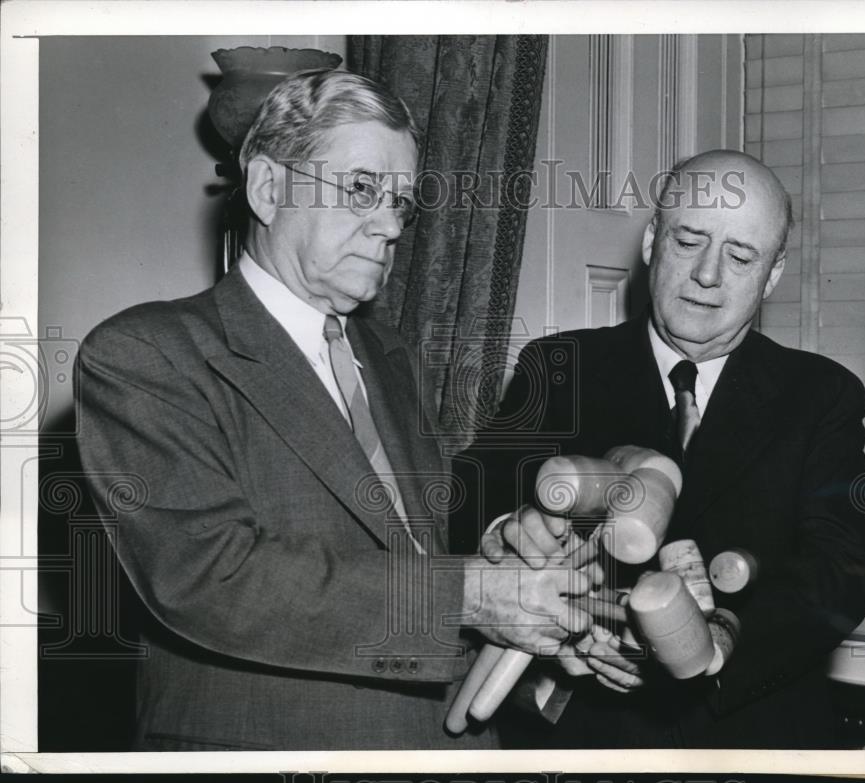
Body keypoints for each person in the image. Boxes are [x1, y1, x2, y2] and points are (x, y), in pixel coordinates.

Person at [75, 69, 593, 751]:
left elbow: (410, 552)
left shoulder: (389, 356)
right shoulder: (147, 353)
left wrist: (516, 588)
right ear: (267, 188)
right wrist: (470, 593)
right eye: (360, 189)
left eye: (402, 202)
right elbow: (209, 577)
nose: (388, 226)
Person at [453, 149, 865, 748]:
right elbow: (471, 496)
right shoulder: (559, 367)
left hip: (751, 737)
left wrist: (726, 638)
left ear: (774, 274)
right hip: (586, 737)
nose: (709, 275)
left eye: (740, 256)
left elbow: (843, 571)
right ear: (653, 240)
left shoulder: (822, 395)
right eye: (689, 242)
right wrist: (506, 532)